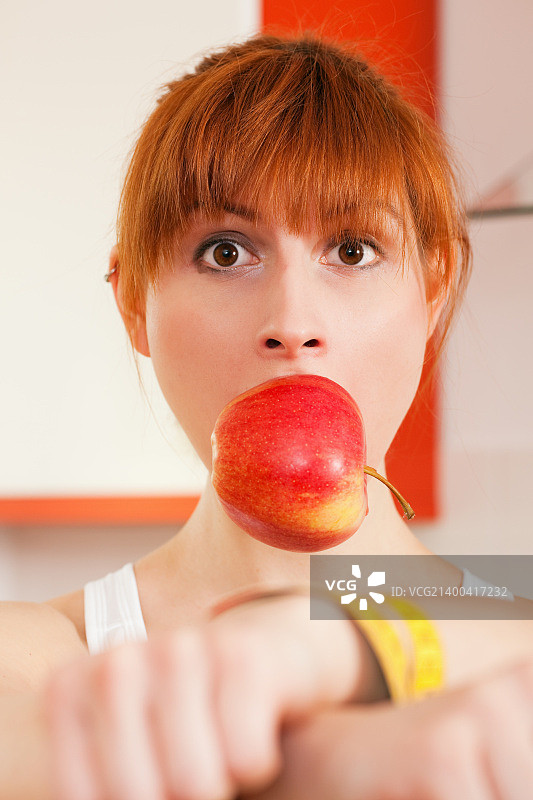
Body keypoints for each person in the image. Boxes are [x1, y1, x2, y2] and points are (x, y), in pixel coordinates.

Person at [1, 31, 533, 800]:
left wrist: (324, 640)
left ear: (433, 291)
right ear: (133, 306)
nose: (292, 320)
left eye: (351, 250)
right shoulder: (54, 647)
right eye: (224, 252)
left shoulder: (507, 632)